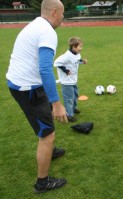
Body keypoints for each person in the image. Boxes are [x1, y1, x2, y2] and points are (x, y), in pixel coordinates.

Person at [6, 0, 67, 193]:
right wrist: (56, 103)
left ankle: (51, 151)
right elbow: (45, 69)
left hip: (19, 84)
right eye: (63, 13)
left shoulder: (35, 24)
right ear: (55, 12)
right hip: (28, 88)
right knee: (47, 135)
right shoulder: (48, 32)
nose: (63, 17)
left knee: (43, 122)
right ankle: (42, 182)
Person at [54, 37, 88, 122]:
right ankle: (69, 115)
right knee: (69, 98)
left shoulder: (77, 54)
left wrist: (82, 61)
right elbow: (56, 63)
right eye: (80, 46)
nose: (81, 48)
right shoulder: (67, 56)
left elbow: (76, 60)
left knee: (75, 95)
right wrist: (65, 70)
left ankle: (73, 108)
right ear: (74, 47)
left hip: (73, 80)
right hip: (66, 82)